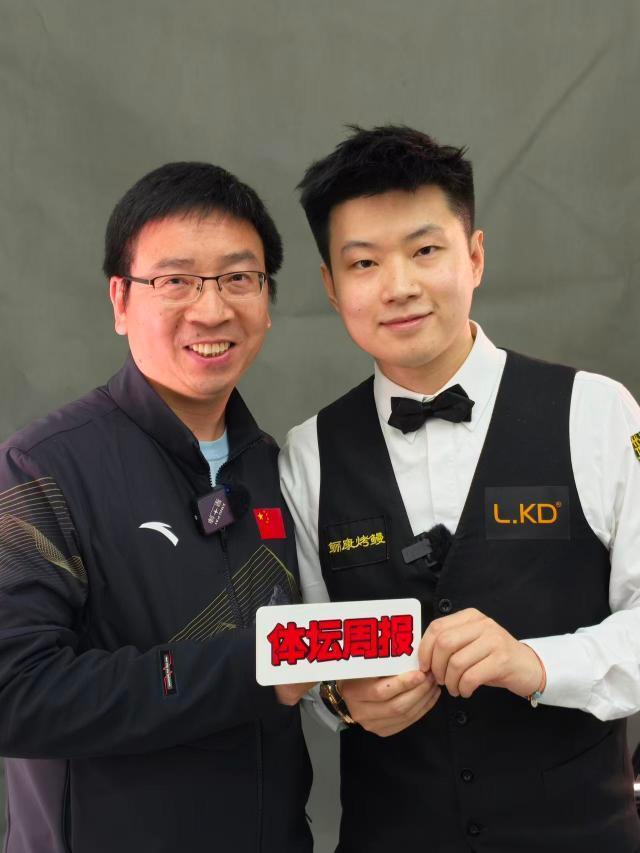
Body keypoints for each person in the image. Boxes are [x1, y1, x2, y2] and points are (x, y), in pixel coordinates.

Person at [279, 125, 640, 852]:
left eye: (425, 250)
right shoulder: (309, 451)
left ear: (474, 255)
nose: (399, 286)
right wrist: (341, 699)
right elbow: (310, 655)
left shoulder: (598, 411)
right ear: (331, 285)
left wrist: (539, 664)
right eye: (364, 262)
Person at [0, 162, 313, 853]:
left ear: (266, 299)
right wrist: (252, 668)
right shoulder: (40, 468)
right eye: (175, 281)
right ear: (120, 299)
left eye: (238, 278)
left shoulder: (273, 466)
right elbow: (14, 693)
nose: (212, 309)